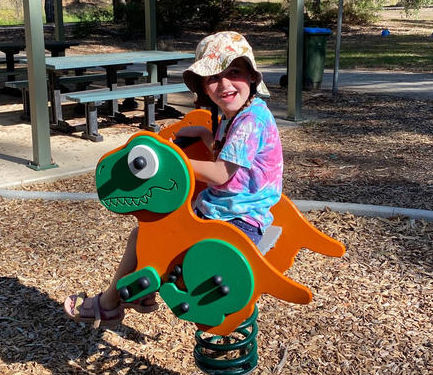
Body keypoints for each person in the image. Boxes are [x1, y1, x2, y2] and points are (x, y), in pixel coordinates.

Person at [64, 30, 284, 327]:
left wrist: (173, 162)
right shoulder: (241, 114)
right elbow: (227, 157)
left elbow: (221, 173)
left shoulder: (250, 121)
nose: (225, 84)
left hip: (239, 223)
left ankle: (110, 303)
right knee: (147, 234)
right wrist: (206, 135)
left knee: (152, 235)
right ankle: (128, 296)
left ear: (253, 77)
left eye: (234, 72)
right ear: (204, 87)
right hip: (228, 210)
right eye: (213, 78)